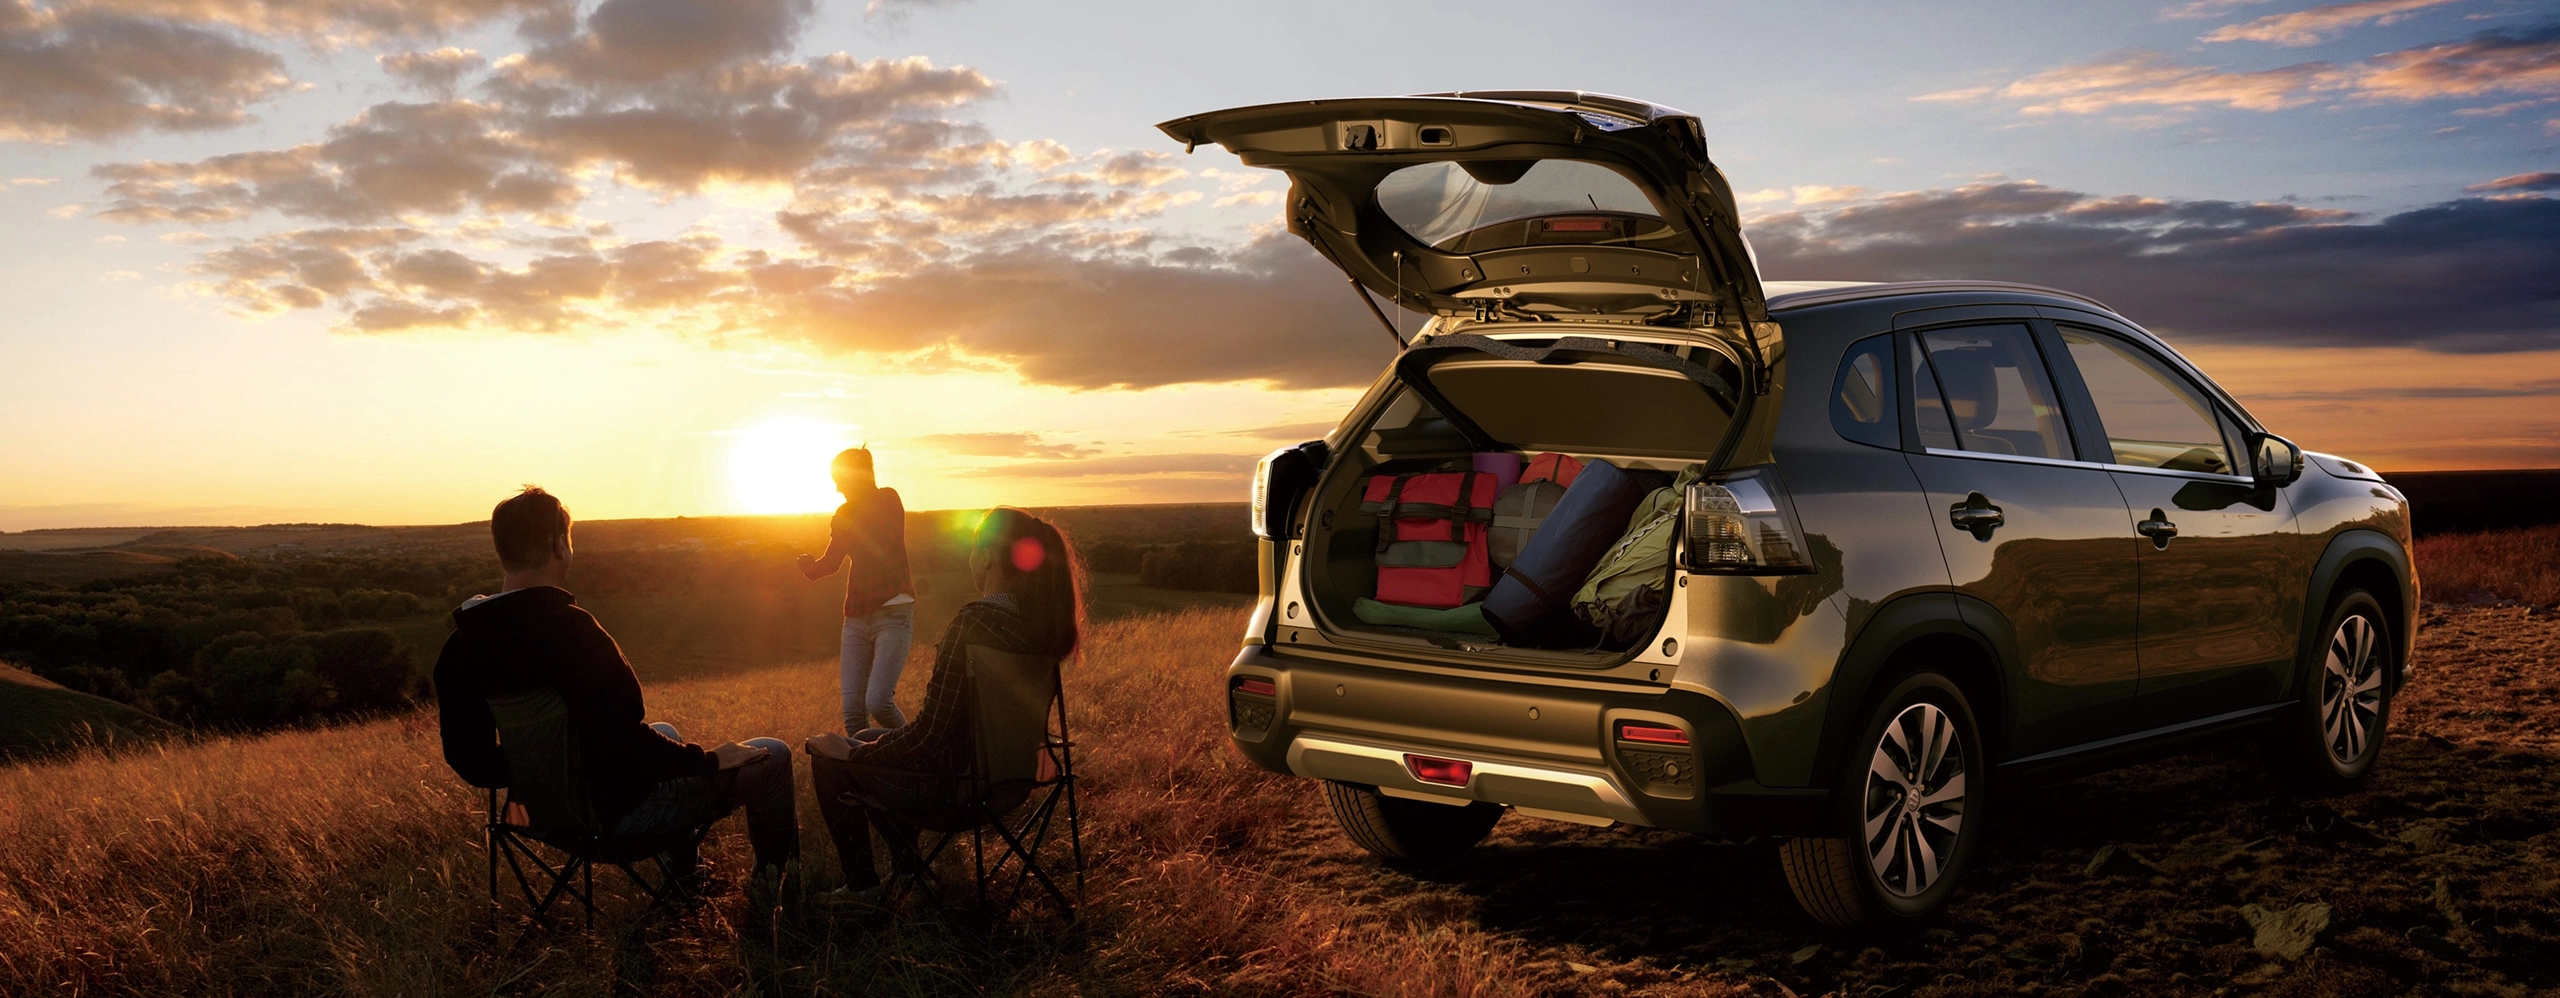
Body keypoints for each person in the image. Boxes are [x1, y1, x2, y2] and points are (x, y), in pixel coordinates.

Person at [436, 487, 799, 876]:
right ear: (558, 545)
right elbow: (629, 740)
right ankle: (775, 892)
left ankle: (688, 879)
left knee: (666, 732)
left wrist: (541, 773)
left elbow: (471, 761)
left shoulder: (462, 645)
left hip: (535, 816)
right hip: (615, 819)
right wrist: (709, 760)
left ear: (503, 551)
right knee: (773, 755)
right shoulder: (572, 631)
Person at [804, 507, 1081, 895]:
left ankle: (861, 887)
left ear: (986, 557)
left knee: (830, 758)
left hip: (957, 789)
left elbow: (931, 736)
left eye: (973, 548)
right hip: (1015, 779)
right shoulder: (1045, 623)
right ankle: (906, 873)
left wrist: (854, 757)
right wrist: (869, 747)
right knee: (866, 735)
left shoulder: (975, 623)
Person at [798, 447, 918, 737]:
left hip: (893, 612)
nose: (837, 488)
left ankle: (919, 752)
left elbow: (877, 539)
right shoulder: (844, 513)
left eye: (839, 479)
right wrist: (810, 568)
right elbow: (832, 562)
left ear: (857, 476)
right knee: (853, 713)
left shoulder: (887, 500)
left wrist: (846, 521)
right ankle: (864, 764)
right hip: (856, 617)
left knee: (878, 703)